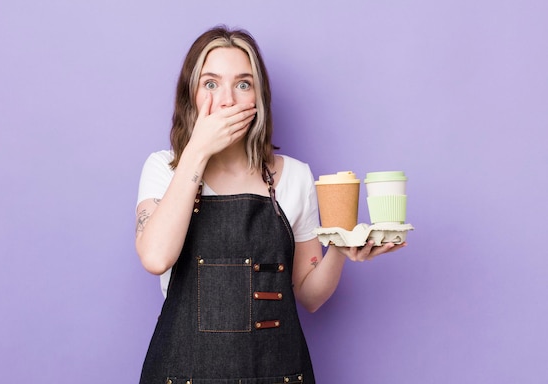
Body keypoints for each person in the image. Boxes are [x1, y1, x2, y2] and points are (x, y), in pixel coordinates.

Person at [135, 25, 406, 383]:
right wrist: (197, 150)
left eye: (243, 84)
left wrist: (342, 246)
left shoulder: (294, 177)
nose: (228, 99)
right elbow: (155, 257)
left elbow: (310, 295)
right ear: (191, 96)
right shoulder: (163, 168)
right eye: (211, 84)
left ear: (258, 99)